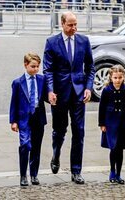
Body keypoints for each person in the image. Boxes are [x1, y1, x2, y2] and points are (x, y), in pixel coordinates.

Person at [43, 11, 95, 184]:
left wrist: (88, 88)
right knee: (60, 130)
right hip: (59, 94)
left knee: (79, 131)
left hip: (79, 94)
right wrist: (50, 90)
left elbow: (90, 67)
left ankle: (76, 171)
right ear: (62, 24)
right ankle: (56, 154)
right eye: (70, 25)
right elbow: (48, 70)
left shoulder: (83, 41)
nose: (74, 28)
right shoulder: (52, 42)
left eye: (75, 24)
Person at [9, 53, 47, 186]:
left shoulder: (42, 80)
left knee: (36, 147)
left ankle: (34, 175)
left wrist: (52, 97)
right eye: (33, 66)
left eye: (37, 67)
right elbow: (14, 103)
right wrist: (13, 121)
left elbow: (46, 96)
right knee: (25, 145)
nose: (36, 69)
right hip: (24, 118)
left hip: (38, 116)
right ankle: (23, 175)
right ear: (25, 65)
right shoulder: (18, 83)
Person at [98, 65, 125, 184]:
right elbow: (101, 107)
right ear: (111, 78)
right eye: (115, 78)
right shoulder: (107, 90)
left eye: (120, 77)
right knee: (113, 148)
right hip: (110, 123)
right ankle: (112, 170)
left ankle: (119, 173)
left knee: (120, 149)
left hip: (123, 122)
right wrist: (102, 124)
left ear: (124, 77)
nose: (118, 80)